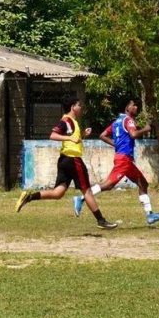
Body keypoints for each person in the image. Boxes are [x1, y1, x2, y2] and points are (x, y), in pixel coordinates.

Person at [14, 97, 118, 230]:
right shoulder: (67, 121)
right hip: (73, 159)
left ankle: (29, 197)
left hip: (64, 159)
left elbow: (73, 139)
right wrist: (70, 137)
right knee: (87, 191)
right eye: (79, 105)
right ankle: (101, 221)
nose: (81, 107)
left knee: (58, 193)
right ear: (73, 107)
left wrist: (82, 135)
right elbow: (53, 135)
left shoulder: (72, 122)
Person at [79, 97, 159, 226]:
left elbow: (102, 135)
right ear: (127, 108)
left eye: (137, 106)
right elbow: (133, 135)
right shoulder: (128, 120)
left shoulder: (116, 122)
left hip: (123, 158)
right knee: (108, 185)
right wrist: (146, 129)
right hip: (124, 159)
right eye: (134, 105)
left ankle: (150, 215)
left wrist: (117, 145)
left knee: (143, 183)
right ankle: (82, 198)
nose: (136, 108)